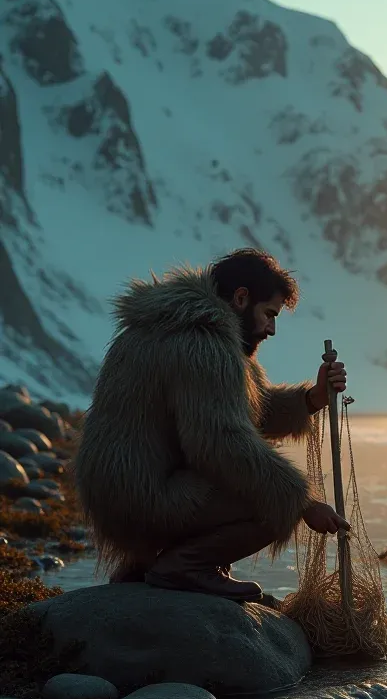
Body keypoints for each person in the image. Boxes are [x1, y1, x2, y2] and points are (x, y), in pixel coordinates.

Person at [76, 247, 349, 603]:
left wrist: (311, 398)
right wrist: (302, 502)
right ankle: (185, 566)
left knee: (262, 485)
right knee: (274, 502)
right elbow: (221, 444)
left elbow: (247, 413)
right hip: (141, 499)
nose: (272, 328)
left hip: (120, 495)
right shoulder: (202, 343)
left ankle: (143, 564)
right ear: (240, 298)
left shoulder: (175, 326)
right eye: (269, 314)